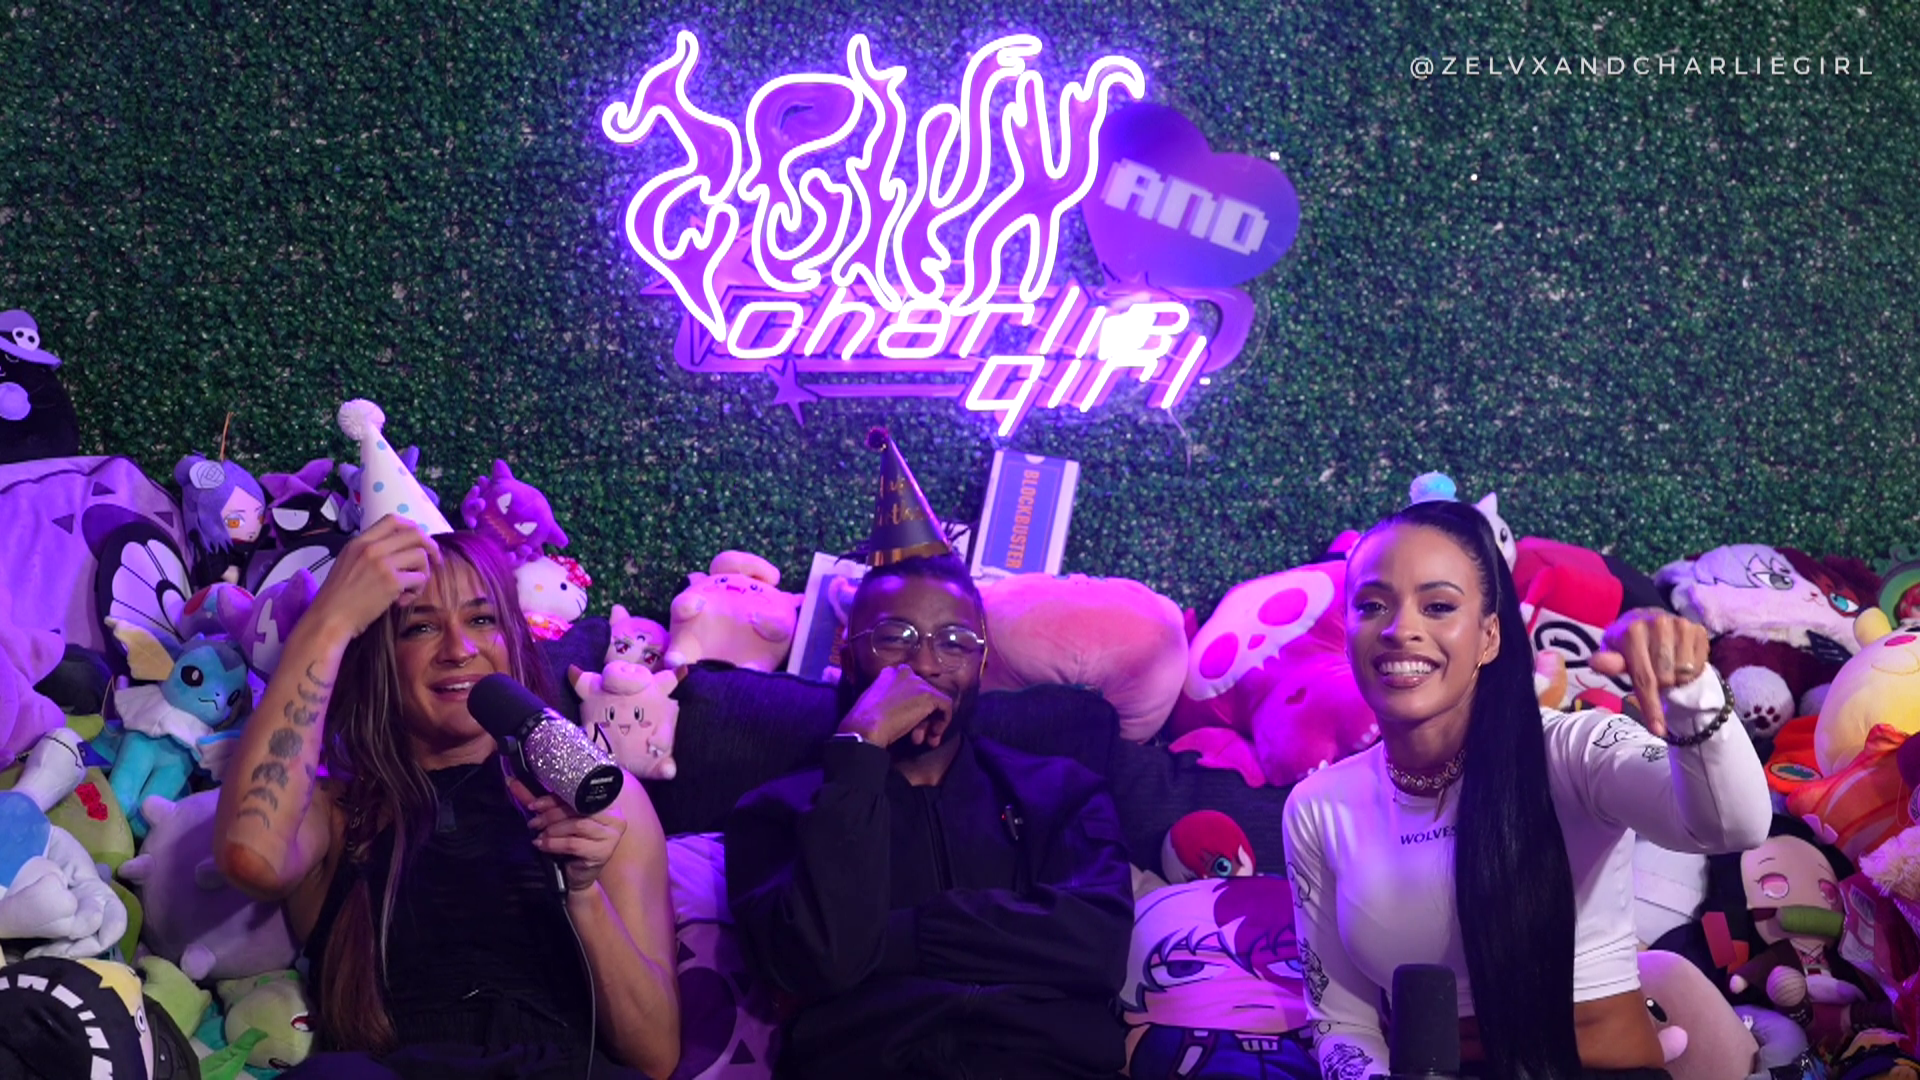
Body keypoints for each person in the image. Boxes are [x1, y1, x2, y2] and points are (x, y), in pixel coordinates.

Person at [1283, 499, 1772, 1080]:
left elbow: (1732, 826)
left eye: (1438, 606)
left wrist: (1693, 693)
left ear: (1490, 636)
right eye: (1371, 606)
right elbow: (1343, 1024)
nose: (1399, 629)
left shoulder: (1573, 750)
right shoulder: (1317, 808)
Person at [212, 517, 681, 1079]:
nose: (459, 649)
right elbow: (250, 857)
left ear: (514, 639)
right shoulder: (340, 814)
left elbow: (656, 1056)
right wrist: (330, 622)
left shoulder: (600, 799)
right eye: (420, 627)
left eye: (482, 619)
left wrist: (583, 895)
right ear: (382, 659)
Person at [723, 554, 1136, 1080]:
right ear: (848, 658)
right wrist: (859, 750)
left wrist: (899, 937)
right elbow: (821, 962)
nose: (924, 664)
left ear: (980, 665)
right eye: (895, 638)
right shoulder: (775, 812)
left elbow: (1098, 947)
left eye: (955, 642)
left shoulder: (1061, 792)